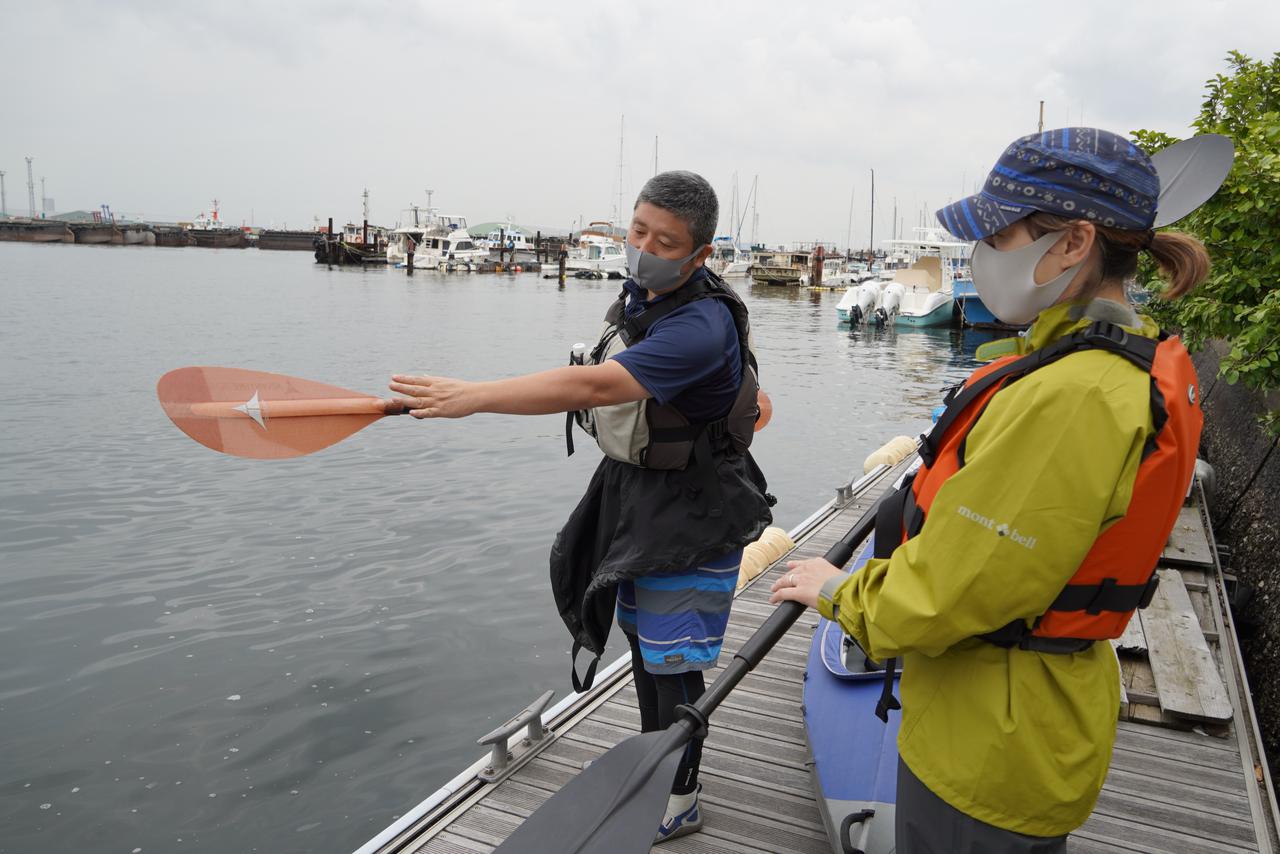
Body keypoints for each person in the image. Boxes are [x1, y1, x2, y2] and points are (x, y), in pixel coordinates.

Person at [770, 128, 1226, 853]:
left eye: (995, 233)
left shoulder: (1072, 397)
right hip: (1020, 725)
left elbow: (954, 591)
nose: (980, 253)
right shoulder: (1091, 365)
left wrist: (836, 593)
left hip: (989, 749)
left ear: (1073, 243)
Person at [390, 170, 773, 844]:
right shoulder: (645, 296)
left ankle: (678, 794)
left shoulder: (701, 324)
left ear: (701, 254)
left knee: (675, 663)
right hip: (640, 501)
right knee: (647, 652)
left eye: (666, 241)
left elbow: (597, 383)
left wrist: (472, 395)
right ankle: (657, 770)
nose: (646, 248)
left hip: (696, 513)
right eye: (638, 231)